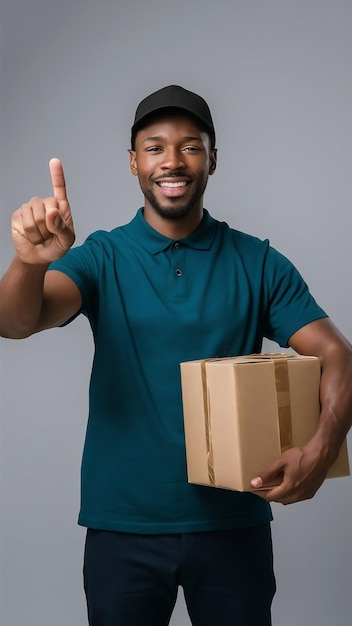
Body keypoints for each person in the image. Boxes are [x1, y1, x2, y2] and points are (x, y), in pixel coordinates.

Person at [1, 84, 352, 626]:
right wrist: (28, 264)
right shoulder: (103, 256)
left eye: (191, 146)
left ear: (213, 159)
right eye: (155, 146)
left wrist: (323, 446)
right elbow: (16, 322)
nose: (173, 161)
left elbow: (337, 354)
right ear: (134, 163)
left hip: (234, 524)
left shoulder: (258, 262)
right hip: (123, 527)